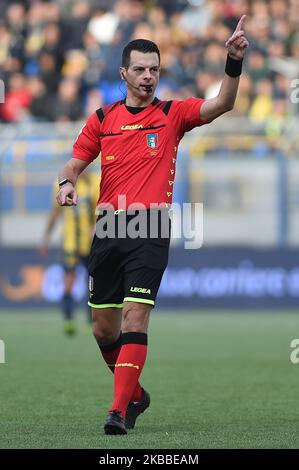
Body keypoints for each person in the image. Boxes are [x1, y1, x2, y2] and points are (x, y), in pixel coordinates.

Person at [56, 18, 249, 434]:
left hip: (151, 227)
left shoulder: (172, 114)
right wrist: (67, 183)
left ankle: (117, 412)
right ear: (123, 73)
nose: (148, 77)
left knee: (134, 317)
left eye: (154, 70)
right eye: (140, 69)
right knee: (102, 328)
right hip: (107, 229)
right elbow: (74, 162)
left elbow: (222, 104)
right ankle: (136, 395)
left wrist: (233, 62)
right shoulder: (102, 118)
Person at [40, 170, 98, 335]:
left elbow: (103, 210)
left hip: (92, 243)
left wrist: (97, 227)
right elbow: (55, 212)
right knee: (69, 281)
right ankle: (69, 319)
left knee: (93, 283)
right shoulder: (61, 184)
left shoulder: (95, 182)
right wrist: (46, 238)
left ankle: (91, 319)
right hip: (70, 242)